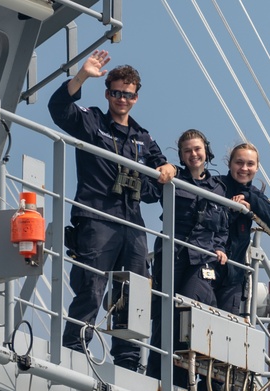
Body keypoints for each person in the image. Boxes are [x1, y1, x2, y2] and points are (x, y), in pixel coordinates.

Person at [48, 49, 176, 371]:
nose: (122, 99)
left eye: (128, 95)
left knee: (133, 293)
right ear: (107, 94)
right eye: (117, 93)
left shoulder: (143, 139)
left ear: (136, 97)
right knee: (92, 287)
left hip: (132, 224)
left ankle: (129, 363)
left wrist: (167, 170)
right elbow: (59, 109)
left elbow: (160, 175)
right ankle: (75, 351)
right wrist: (81, 77)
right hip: (97, 217)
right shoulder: (92, 121)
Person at [146, 129, 229, 384]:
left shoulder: (218, 187)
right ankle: (157, 377)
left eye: (197, 149)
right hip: (173, 253)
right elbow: (148, 195)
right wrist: (164, 170)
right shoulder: (173, 178)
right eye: (187, 150)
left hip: (202, 258)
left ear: (206, 150)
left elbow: (223, 226)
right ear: (181, 155)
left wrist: (220, 248)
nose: (194, 154)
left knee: (190, 310)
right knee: (164, 313)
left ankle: (185, 377)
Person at [216, 142, 270, 316]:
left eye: (250, 164)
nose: (244, 168)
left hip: (234, 275)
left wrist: (249, 201)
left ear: (257, 167)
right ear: (229, 163)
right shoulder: (216, 186)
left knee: (227, 326)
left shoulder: (254, 195)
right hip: (209, 265)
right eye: (239, 162)